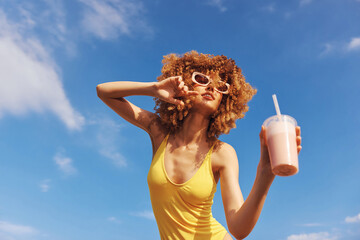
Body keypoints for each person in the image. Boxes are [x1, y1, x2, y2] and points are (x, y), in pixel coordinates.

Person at [96, 51, 302, 240]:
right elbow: (104, 91)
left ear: (225, 101)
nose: (212, 87)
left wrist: (265, 173)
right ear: (185, 85)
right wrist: (154, 89)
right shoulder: (158, 131)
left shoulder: (222, 153)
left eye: (221, 86)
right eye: (202, 79)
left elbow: (238, 229)